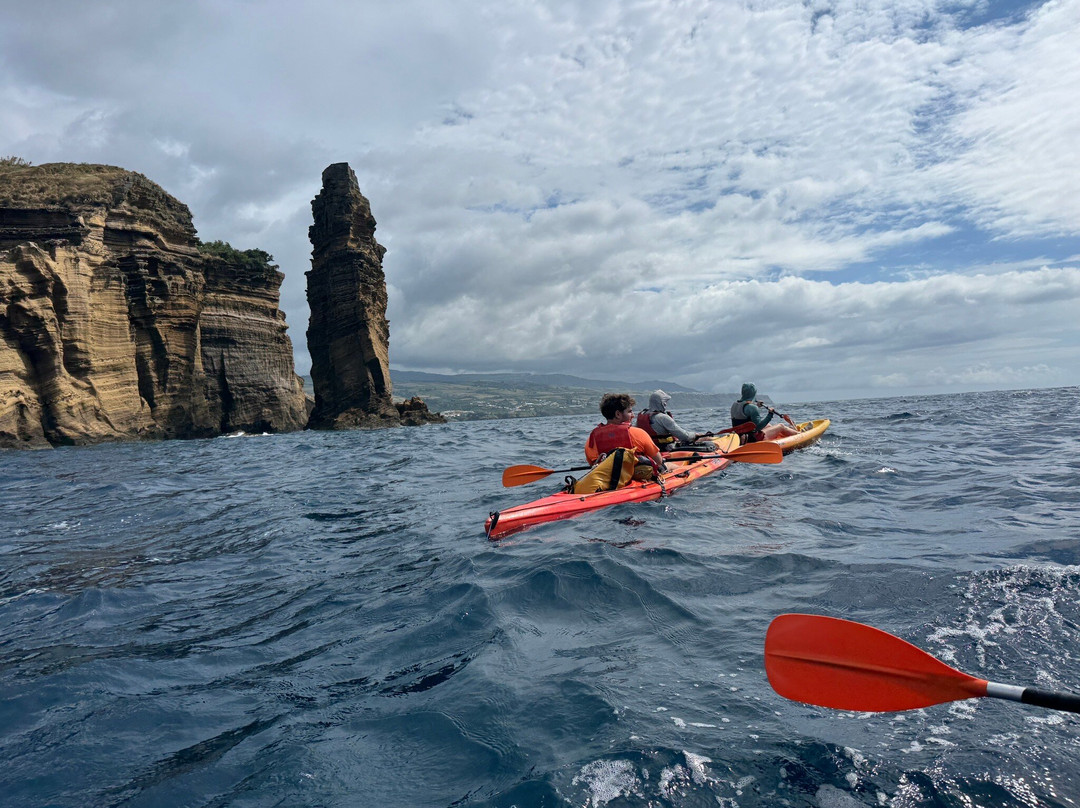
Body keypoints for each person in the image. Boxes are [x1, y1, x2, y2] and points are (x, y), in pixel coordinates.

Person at [585, 393, 668, 476]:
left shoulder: (592, 439)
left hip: (606, 480)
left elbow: (593, 464)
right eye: (629, 411)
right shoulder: (638, 433)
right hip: (637, 478)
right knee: (669, 466)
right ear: (618, 414)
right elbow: (659, 461)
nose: (633, 415)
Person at [636, 389, 713, 451]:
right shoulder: (663, 417)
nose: (666, 404)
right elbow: (685, 437)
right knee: (707, 439)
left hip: (650, 450)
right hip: (667, 448)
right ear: (661, 403)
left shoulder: (641, 416)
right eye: (665, 402)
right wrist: (695, 435)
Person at [731, 382, 801, 443]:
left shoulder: (734, 405)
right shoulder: (752, 408)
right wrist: (770, 414)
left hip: (741, 437)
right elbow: (759, 427)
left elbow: (745, 416)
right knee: (781, 426)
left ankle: (788, 433)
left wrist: (756, 406)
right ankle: (799, 434)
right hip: (754, 439)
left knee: (769, 426)